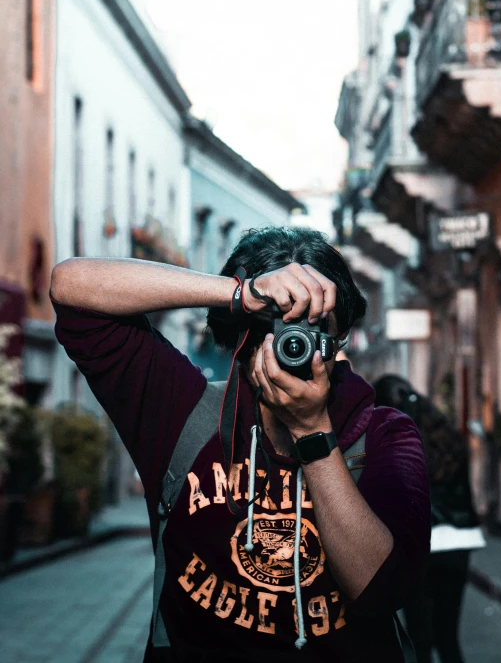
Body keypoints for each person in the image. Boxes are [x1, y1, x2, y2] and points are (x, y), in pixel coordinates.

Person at [50, 227, 430, 662]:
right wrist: (240, 294)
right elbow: (69, 287)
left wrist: (313, 434)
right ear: (240, 334)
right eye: (275, 324)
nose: (294, 345)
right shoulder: (184, 412)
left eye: (313, 328)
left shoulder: (383, 434)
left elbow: (380, 591)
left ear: (338, 338)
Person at [373, 374, 486, 663]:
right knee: (448, 638)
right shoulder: (448, 435)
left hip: (420, 547)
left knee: (420, 641)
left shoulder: (398, 441)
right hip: (459, 543)